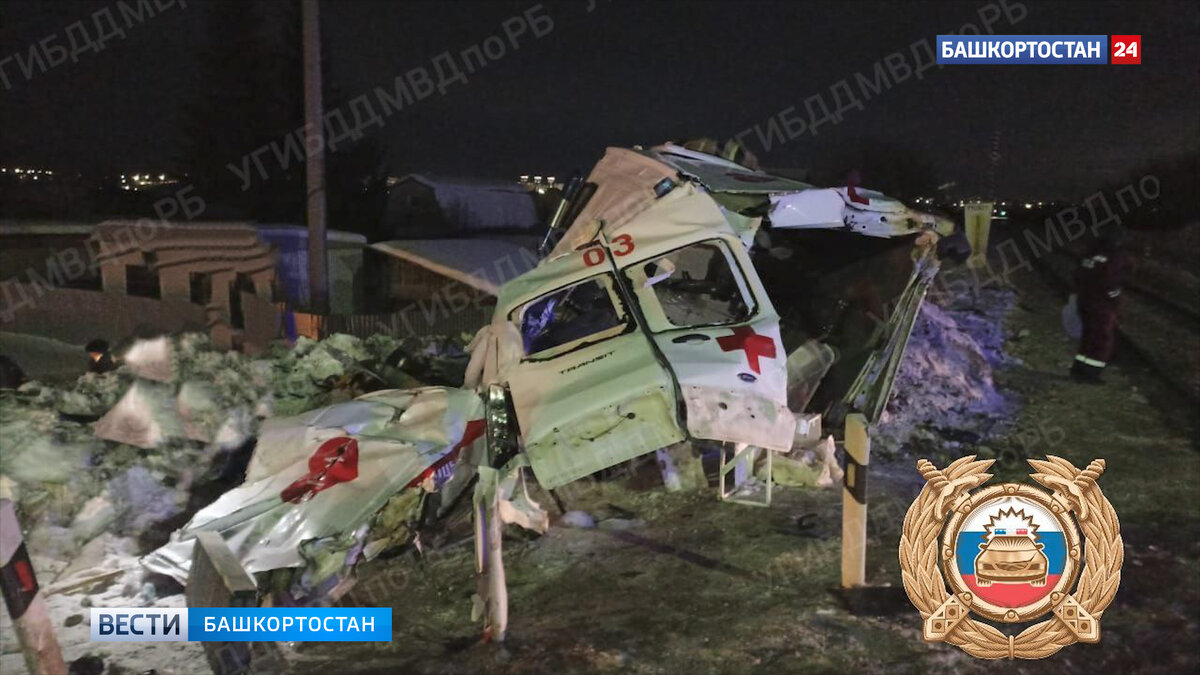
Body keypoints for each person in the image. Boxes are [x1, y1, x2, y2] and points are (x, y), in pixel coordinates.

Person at [1070, 225, 1128, 383]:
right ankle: (1091, 374)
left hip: (1085, 300)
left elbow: (1077, 275)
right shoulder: (1115, 255)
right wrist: (1114, 297)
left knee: (1088, 335)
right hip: (1102, 304)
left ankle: (1079, 369)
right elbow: (1110, 281)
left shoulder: (1092, 251)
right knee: (1102, 338)